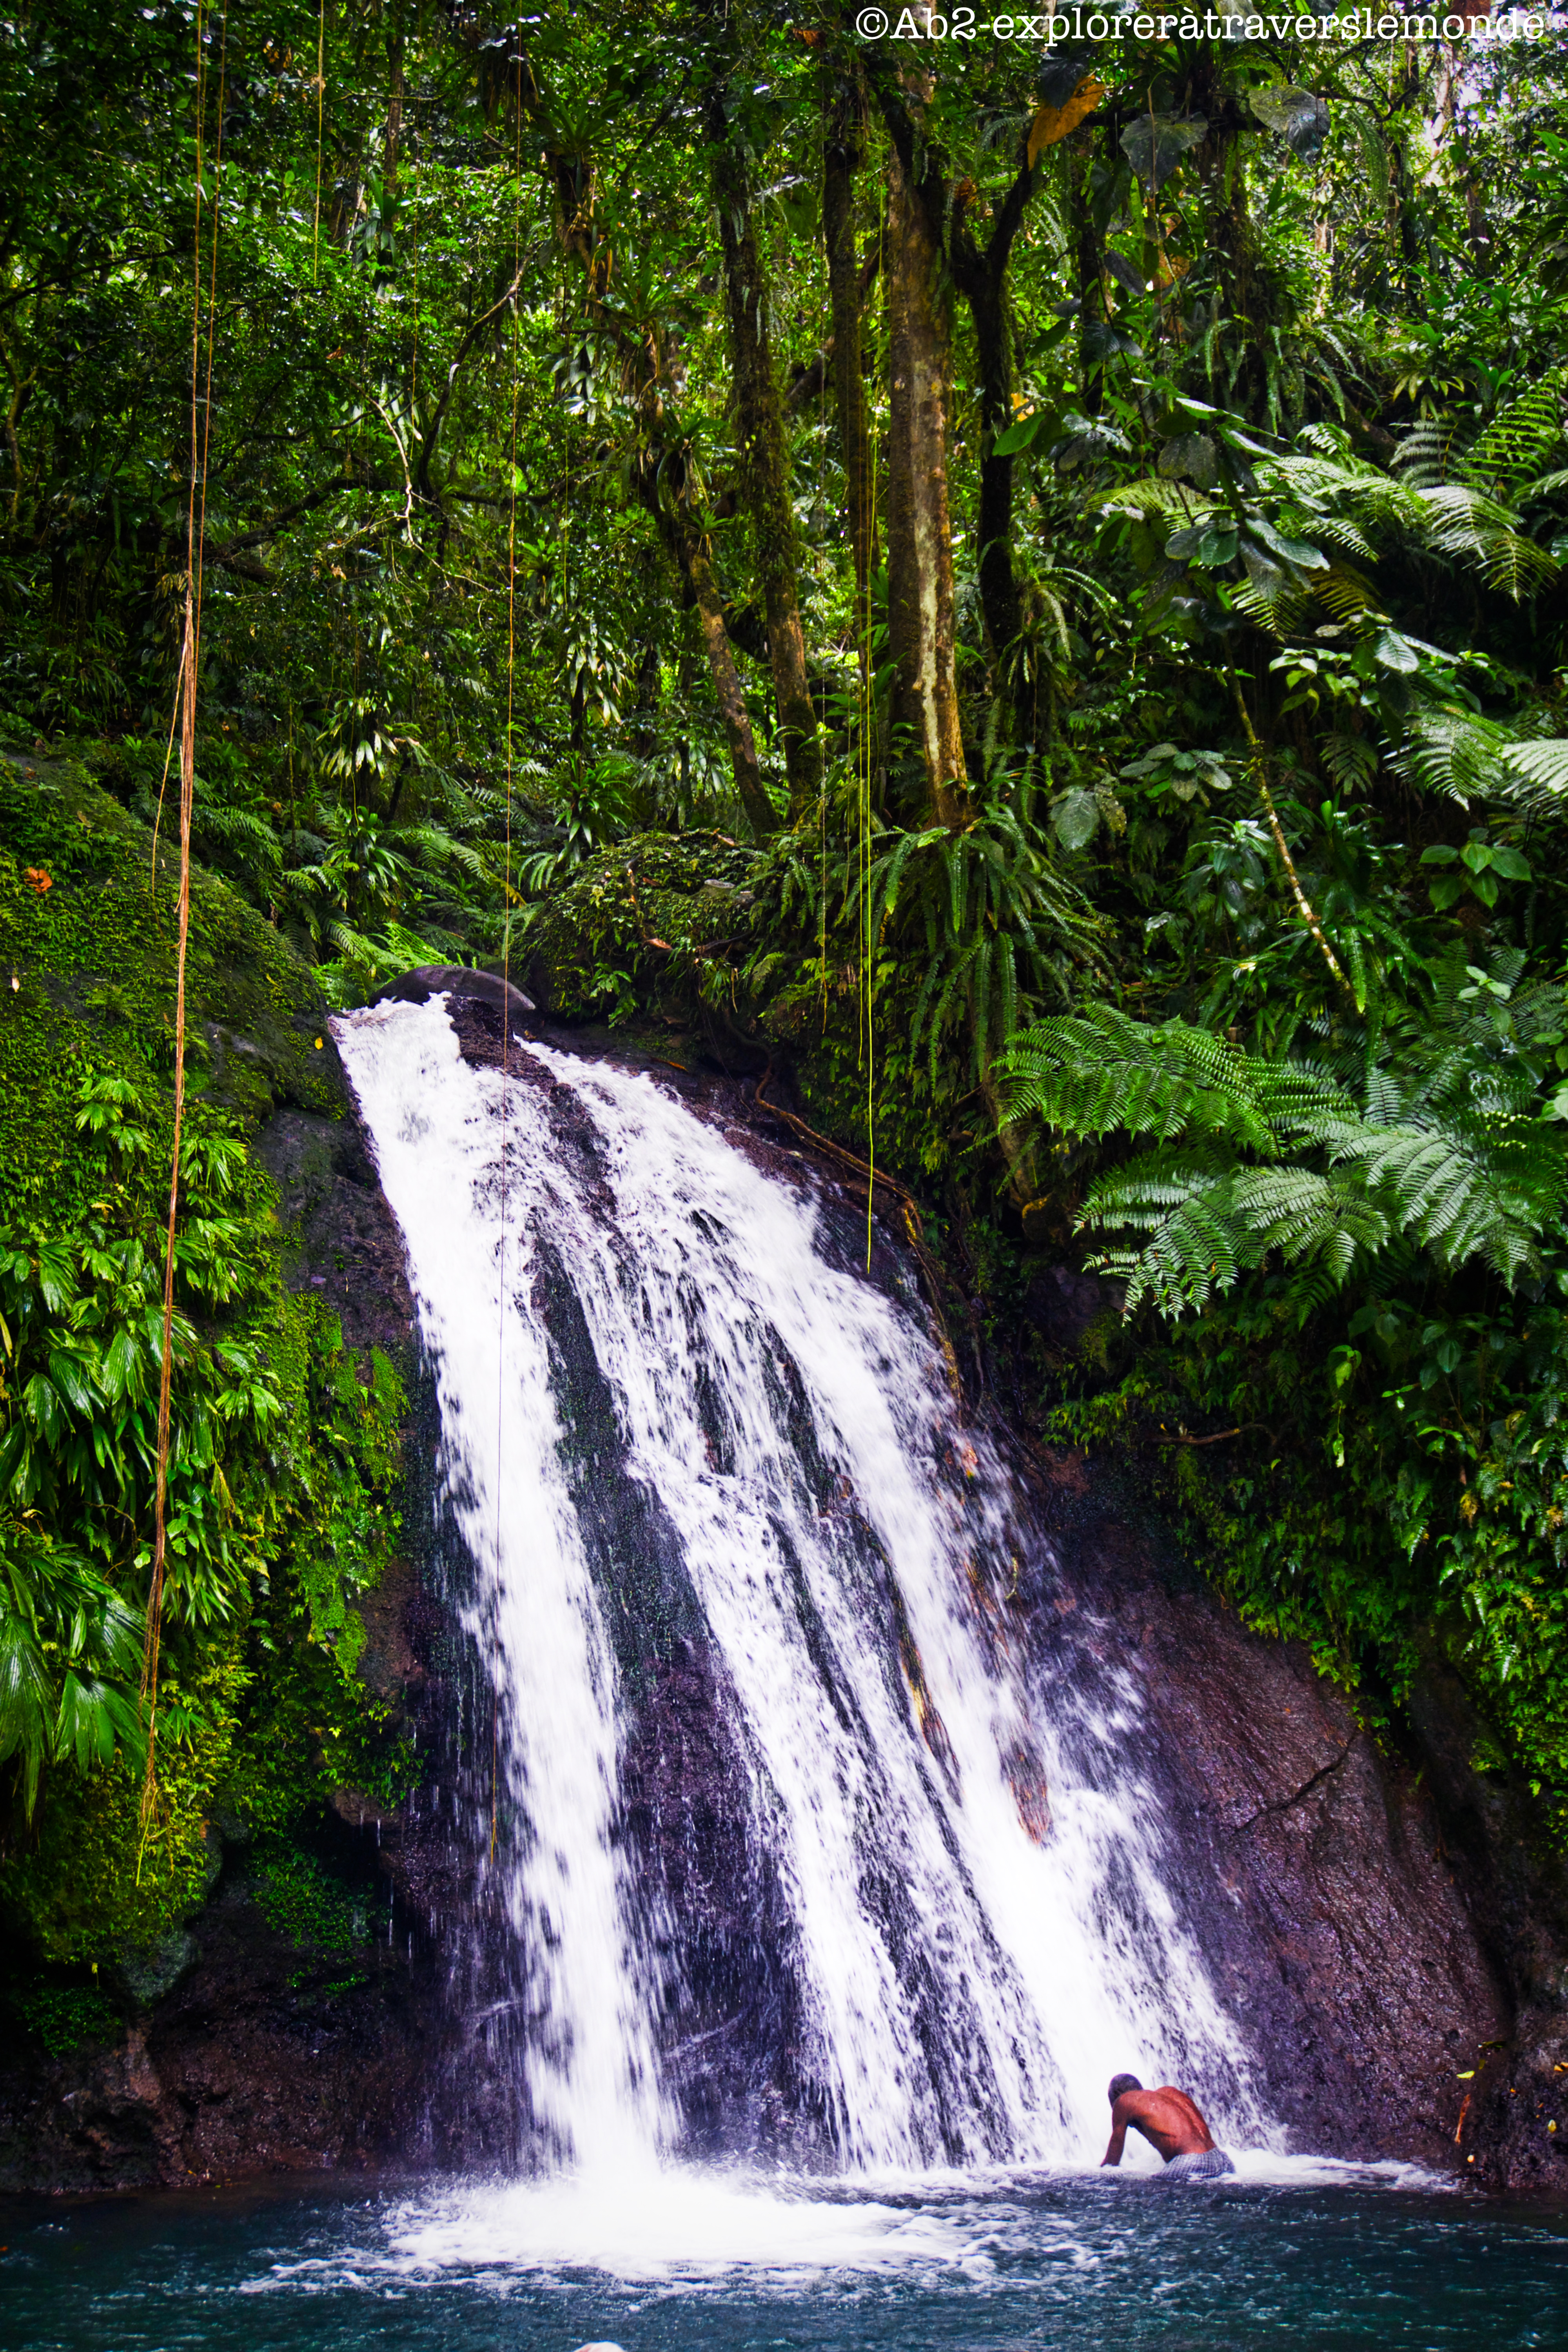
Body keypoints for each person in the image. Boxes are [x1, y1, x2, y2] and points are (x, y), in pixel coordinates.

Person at [1100, 2073, 1236, 2180]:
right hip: (1221, 2159)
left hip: (1192, 2162)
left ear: (1116, 2095)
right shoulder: (1169, 2092)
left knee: (1146, 2192)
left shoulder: (1124, 2101)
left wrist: (1100, 2176)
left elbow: (1112, 2161)